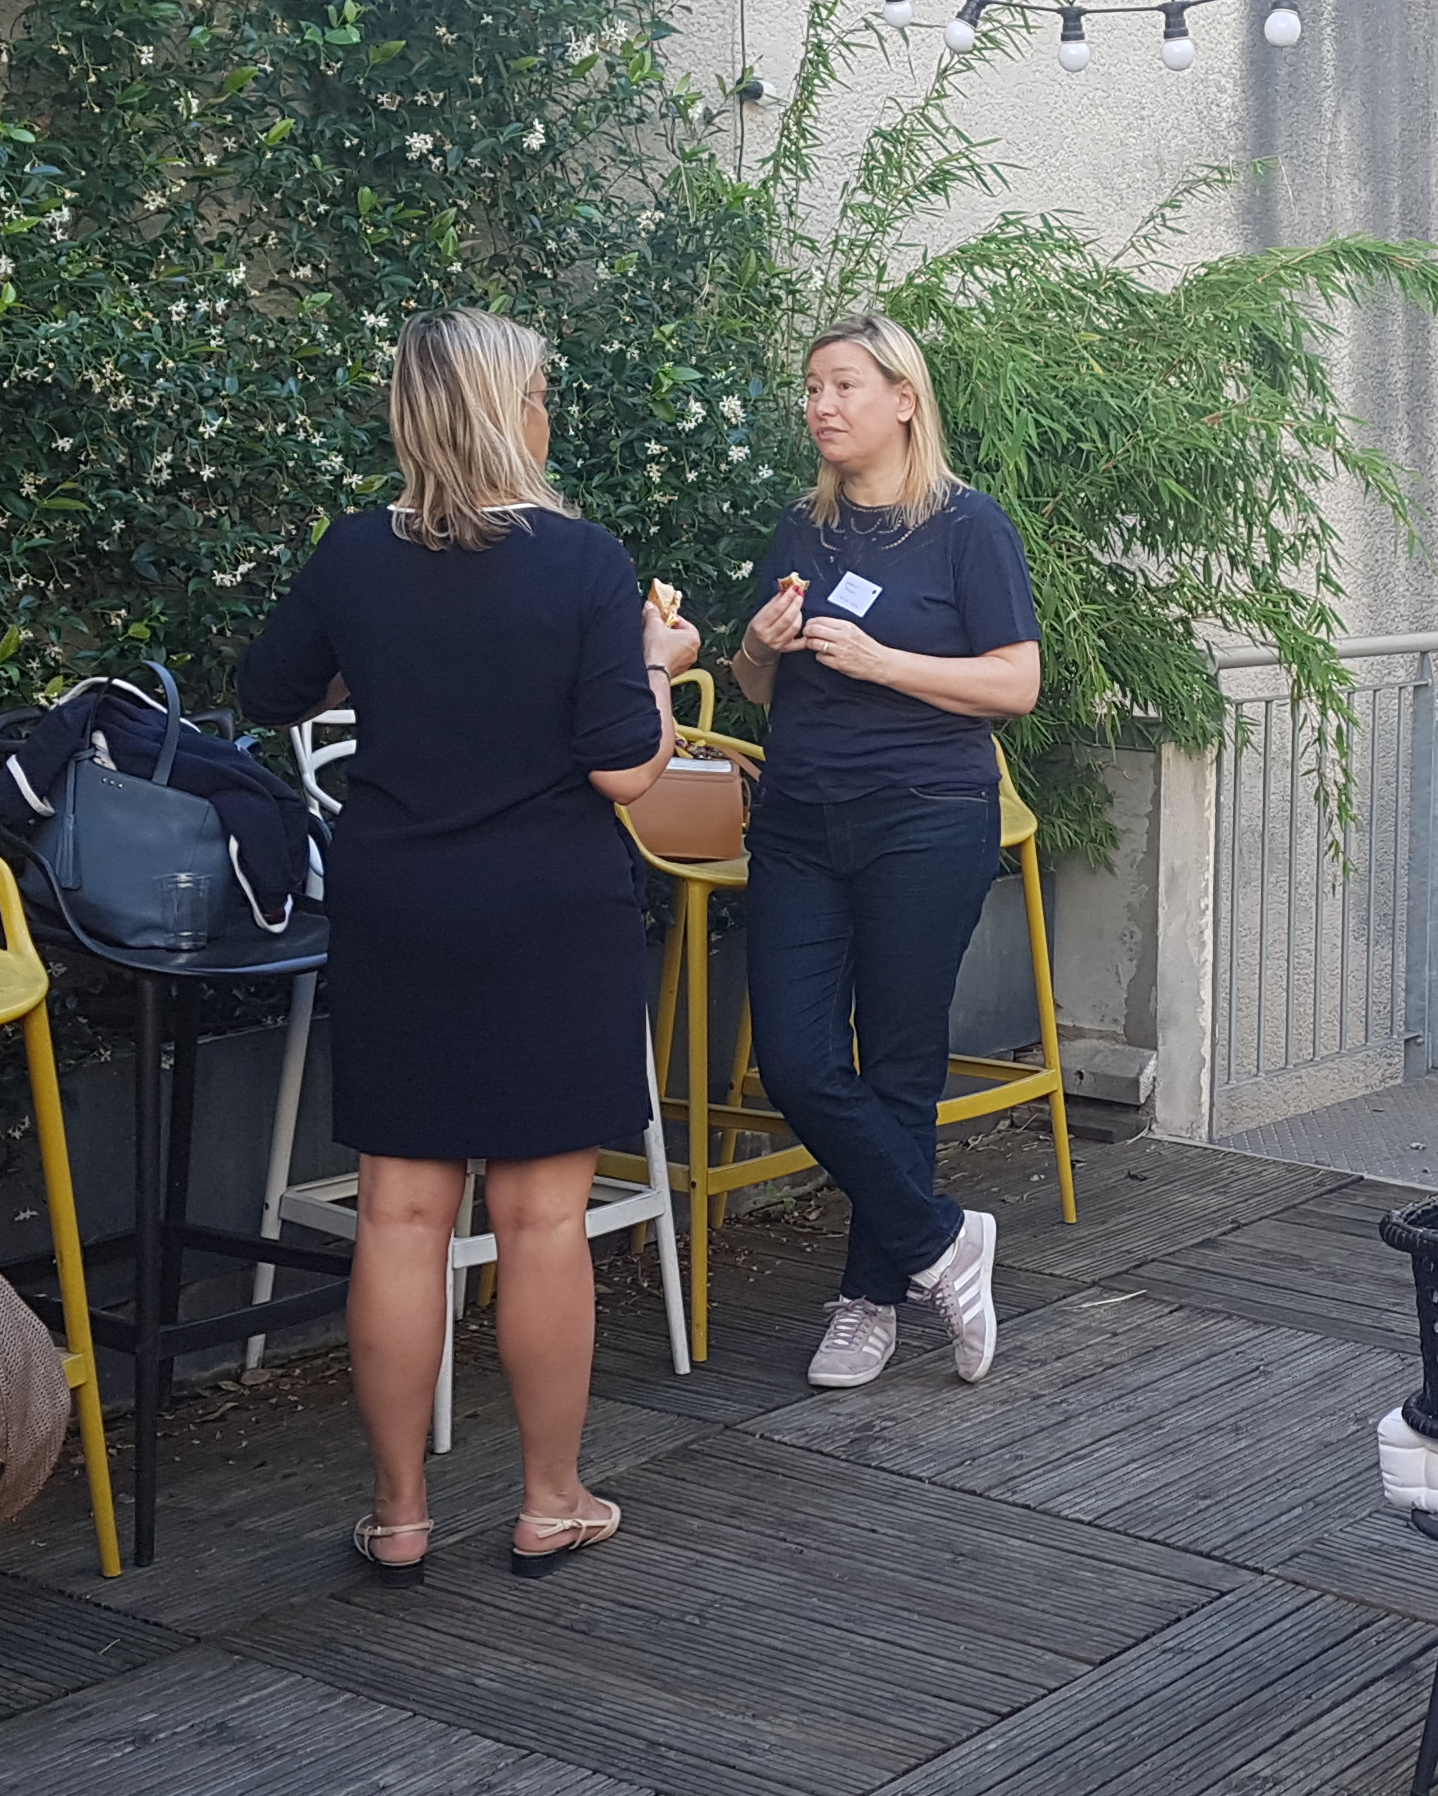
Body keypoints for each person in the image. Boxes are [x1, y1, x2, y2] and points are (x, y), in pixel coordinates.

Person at [236, 309, 695, 1579]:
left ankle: (397, 1516)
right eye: (541, 388)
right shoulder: (585, 561)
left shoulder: (350, 558)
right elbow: (624, 770)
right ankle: (551, 1499)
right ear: (509, 409)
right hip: (550, 907)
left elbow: (268, 689)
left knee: (399, 1211)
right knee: (544, 1218)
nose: (550, 407)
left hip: (399, 907)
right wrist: (660, 665)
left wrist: (382, 675)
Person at [728, 312, 1039, 1391]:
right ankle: (942, 1240)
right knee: (797, 1062)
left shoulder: (967, 528)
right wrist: (756, 652)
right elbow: (756, 687)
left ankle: (869, 1301)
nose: (819, 405)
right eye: (811, 387)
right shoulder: (801, 529)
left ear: (904, 399)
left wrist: (883, 660)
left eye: (842, 385)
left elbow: (1015, 684)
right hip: (801, 820)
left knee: (897, 1064)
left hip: (924, 817)